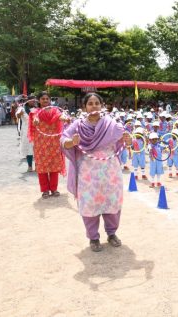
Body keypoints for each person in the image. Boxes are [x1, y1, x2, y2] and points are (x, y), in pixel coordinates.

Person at [61, 93, 131, 252]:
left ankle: (112, 233)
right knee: (90, 205)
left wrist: (127, 139)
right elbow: (63, 139)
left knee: (112, 202)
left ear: (102, 105)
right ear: (84, 107)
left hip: (110, 172)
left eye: (97, 103)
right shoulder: (78, 126)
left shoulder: (111, 124)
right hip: (88, 174)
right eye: (90, 104)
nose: (94, 106)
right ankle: (93, 238)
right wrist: (72, 142)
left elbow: (124, 139)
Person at [28, 91, 67, 199]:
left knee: (54, 166)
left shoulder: (56, 111)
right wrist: (35, 120)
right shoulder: (35, 112)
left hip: (54, 143)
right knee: (42, 167)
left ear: (50, 100)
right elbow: (34, 119)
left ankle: (54, 189)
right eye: (43, 99)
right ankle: (45, 190)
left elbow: (60, 116)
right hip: (40, 144)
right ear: (39, 100)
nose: (45, 100)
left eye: (47, 98)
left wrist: (64, 118)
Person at [16, 96, 36, 171]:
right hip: (26, 131)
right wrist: (20, 113)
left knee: (36, 148)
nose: (33, 102)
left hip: (36, 131)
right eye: (31, 100)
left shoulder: (36, 109)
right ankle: (30, 166)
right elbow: (17, 115)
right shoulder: (22, 108)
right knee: (29, 148)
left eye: (34, 101)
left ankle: (37, 167)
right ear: (27, 101)